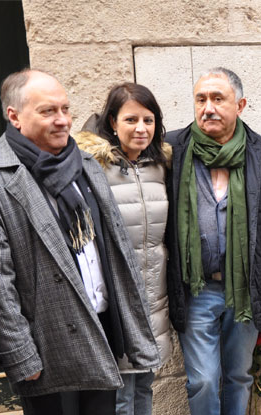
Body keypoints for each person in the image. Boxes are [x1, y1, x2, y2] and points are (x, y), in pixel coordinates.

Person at [0, 69, 160, 415]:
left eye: (65, 109)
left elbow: (116, 252)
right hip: (49, 346)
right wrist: (21, 356)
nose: (62, 120)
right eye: (48, 111)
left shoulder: (85, 163)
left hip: (101, 328)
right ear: (14, 116)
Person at [164, 67, 261, 415]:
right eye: (201, 99)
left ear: (240, 105)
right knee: (203, 380)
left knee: (239, 376)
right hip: (196, 288)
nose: (208, 108)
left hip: (246, 288)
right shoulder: (173, 149)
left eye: (218, 99)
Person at [74, 82, 173, 415]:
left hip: (154, 296)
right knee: (120, 396)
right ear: (112, 122)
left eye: (148, 120)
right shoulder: (92, 168)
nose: (141, 128)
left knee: (145, 384)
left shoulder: (160, 165)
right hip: (115, 299)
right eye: (131, 120)